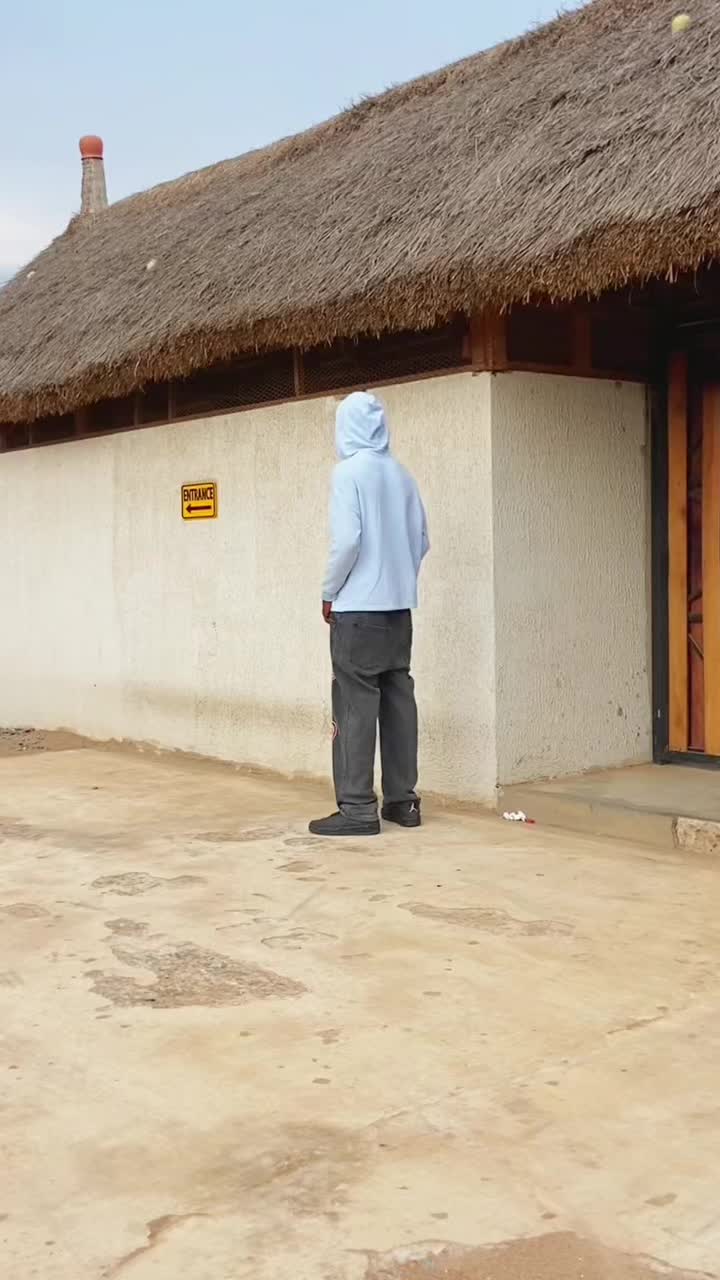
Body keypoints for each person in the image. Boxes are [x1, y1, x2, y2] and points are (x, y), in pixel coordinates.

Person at [309, 391, 429, 837]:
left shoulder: (347, 474)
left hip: (358, 611)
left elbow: (347, 542)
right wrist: (400, 580)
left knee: (355, 704)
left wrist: (329, 591)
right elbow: (422, 540)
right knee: (398, 701)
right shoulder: (403, 475)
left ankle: (358, 808)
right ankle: (403, 801)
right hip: (399, 611)